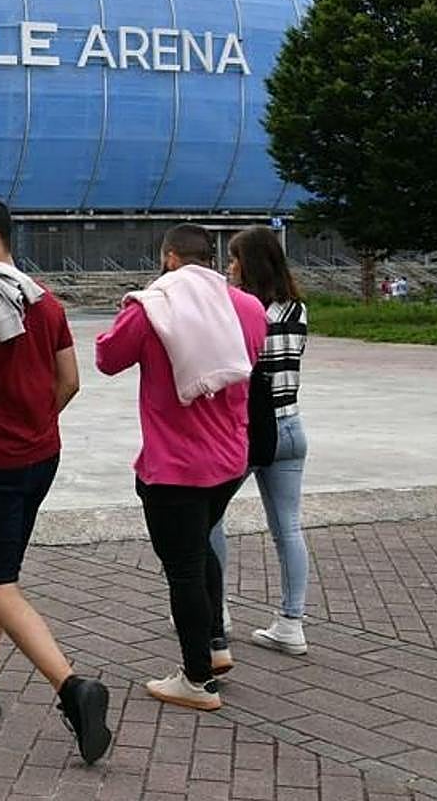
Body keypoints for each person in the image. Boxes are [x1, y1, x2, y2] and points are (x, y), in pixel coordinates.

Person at [0, 197, 112, 763]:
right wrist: (36, 424)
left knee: (0, 580)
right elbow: (70, 380)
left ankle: (72, 688)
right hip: (41, 457)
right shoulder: (43, 298)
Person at [95, 223, 265, 711]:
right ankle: (215, 648)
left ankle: (195, 681)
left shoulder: (153, 308)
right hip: (230, 459)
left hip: (174, 466)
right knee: (200, 548)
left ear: (169, 258)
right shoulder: (248, 307)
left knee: (184, 569)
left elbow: (108, 358)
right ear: (209, 259)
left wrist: (139, 303)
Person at [210, 227, 313, 656]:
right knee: (287, 527)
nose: (229, 266)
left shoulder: (245, 311)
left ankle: (216, 612)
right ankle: (291, 622)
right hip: (292, 425)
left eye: (234, 259)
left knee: (209, 518)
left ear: (249, 263)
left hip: (251, 429)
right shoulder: (297, 309)